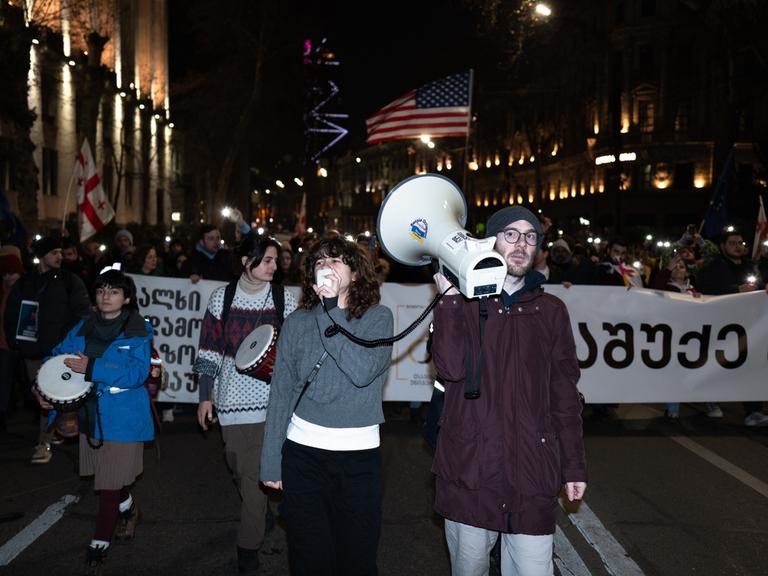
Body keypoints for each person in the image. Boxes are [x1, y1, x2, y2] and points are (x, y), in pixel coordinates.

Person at [430, 206, 587, 576]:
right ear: (491, 242)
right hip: (471, 469)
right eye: (510, 234)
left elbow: (564, 394)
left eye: (530, 236)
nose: (521, 244)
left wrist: (574, 465)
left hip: (532, 471)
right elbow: (451, 369)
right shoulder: (460, 303)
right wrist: (450, 302)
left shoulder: (552, 311)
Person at [261, 236, 394, 576]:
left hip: (359, 459)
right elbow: (282, 392)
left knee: (357, 558)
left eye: (335, 260)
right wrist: (270, 461)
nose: (326, 267)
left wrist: (332, 310)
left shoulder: (379, 318)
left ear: (356, 271)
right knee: (308, 556)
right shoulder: (297, 323)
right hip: (303, 454)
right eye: (319, 262)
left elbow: (362, 372)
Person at [35, 269, 153, 573]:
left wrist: (93, 367)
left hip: (123, 416)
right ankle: (128, 509)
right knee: (107, 479)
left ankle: (100, 540)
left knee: (110, 482)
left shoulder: (139, 330)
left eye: (114, 291)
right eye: (101, 290)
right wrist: (43, 391)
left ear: (126, 298)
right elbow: (56, 360)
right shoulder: (82, 326)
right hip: (90, 414)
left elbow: (137, 374)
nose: (106, 296)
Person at [194, 233, 297, 575]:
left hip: (275, 403)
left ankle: (247, 548)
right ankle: (261, 511)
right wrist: (204, 398)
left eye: (276, 260)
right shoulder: (220, 299)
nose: (274, 266)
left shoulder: (286, 299)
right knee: (240, 469)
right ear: (245, 261)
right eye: (266, 260)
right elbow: (208, 351)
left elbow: (297, 349)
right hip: (232, 401)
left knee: (255, 476)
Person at [3, 236, 92, 463]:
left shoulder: (70, 281)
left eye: (61, 253)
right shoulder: (24, 283)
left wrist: (68, 342)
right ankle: (52, 432)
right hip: (32, 352)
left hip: (60, 353)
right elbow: (12, 314)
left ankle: (44, 442)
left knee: (55, 395)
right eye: (54, 253)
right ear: (41, 256)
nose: (59, 257)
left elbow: (83, 314)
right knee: (42, 395)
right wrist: (17, 342)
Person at [696, 227, 768, 426]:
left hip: (748, 326)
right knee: (717, 365)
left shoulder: (751, 267)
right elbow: (706, 292)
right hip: (722, 326)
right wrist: (737, 290)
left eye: (740, 243)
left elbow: (760, 288)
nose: (738, 247)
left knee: (751, 365)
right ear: (722, 246)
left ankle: (753, 411)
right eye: (732, 243)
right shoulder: (713, 268)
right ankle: (710, 398)